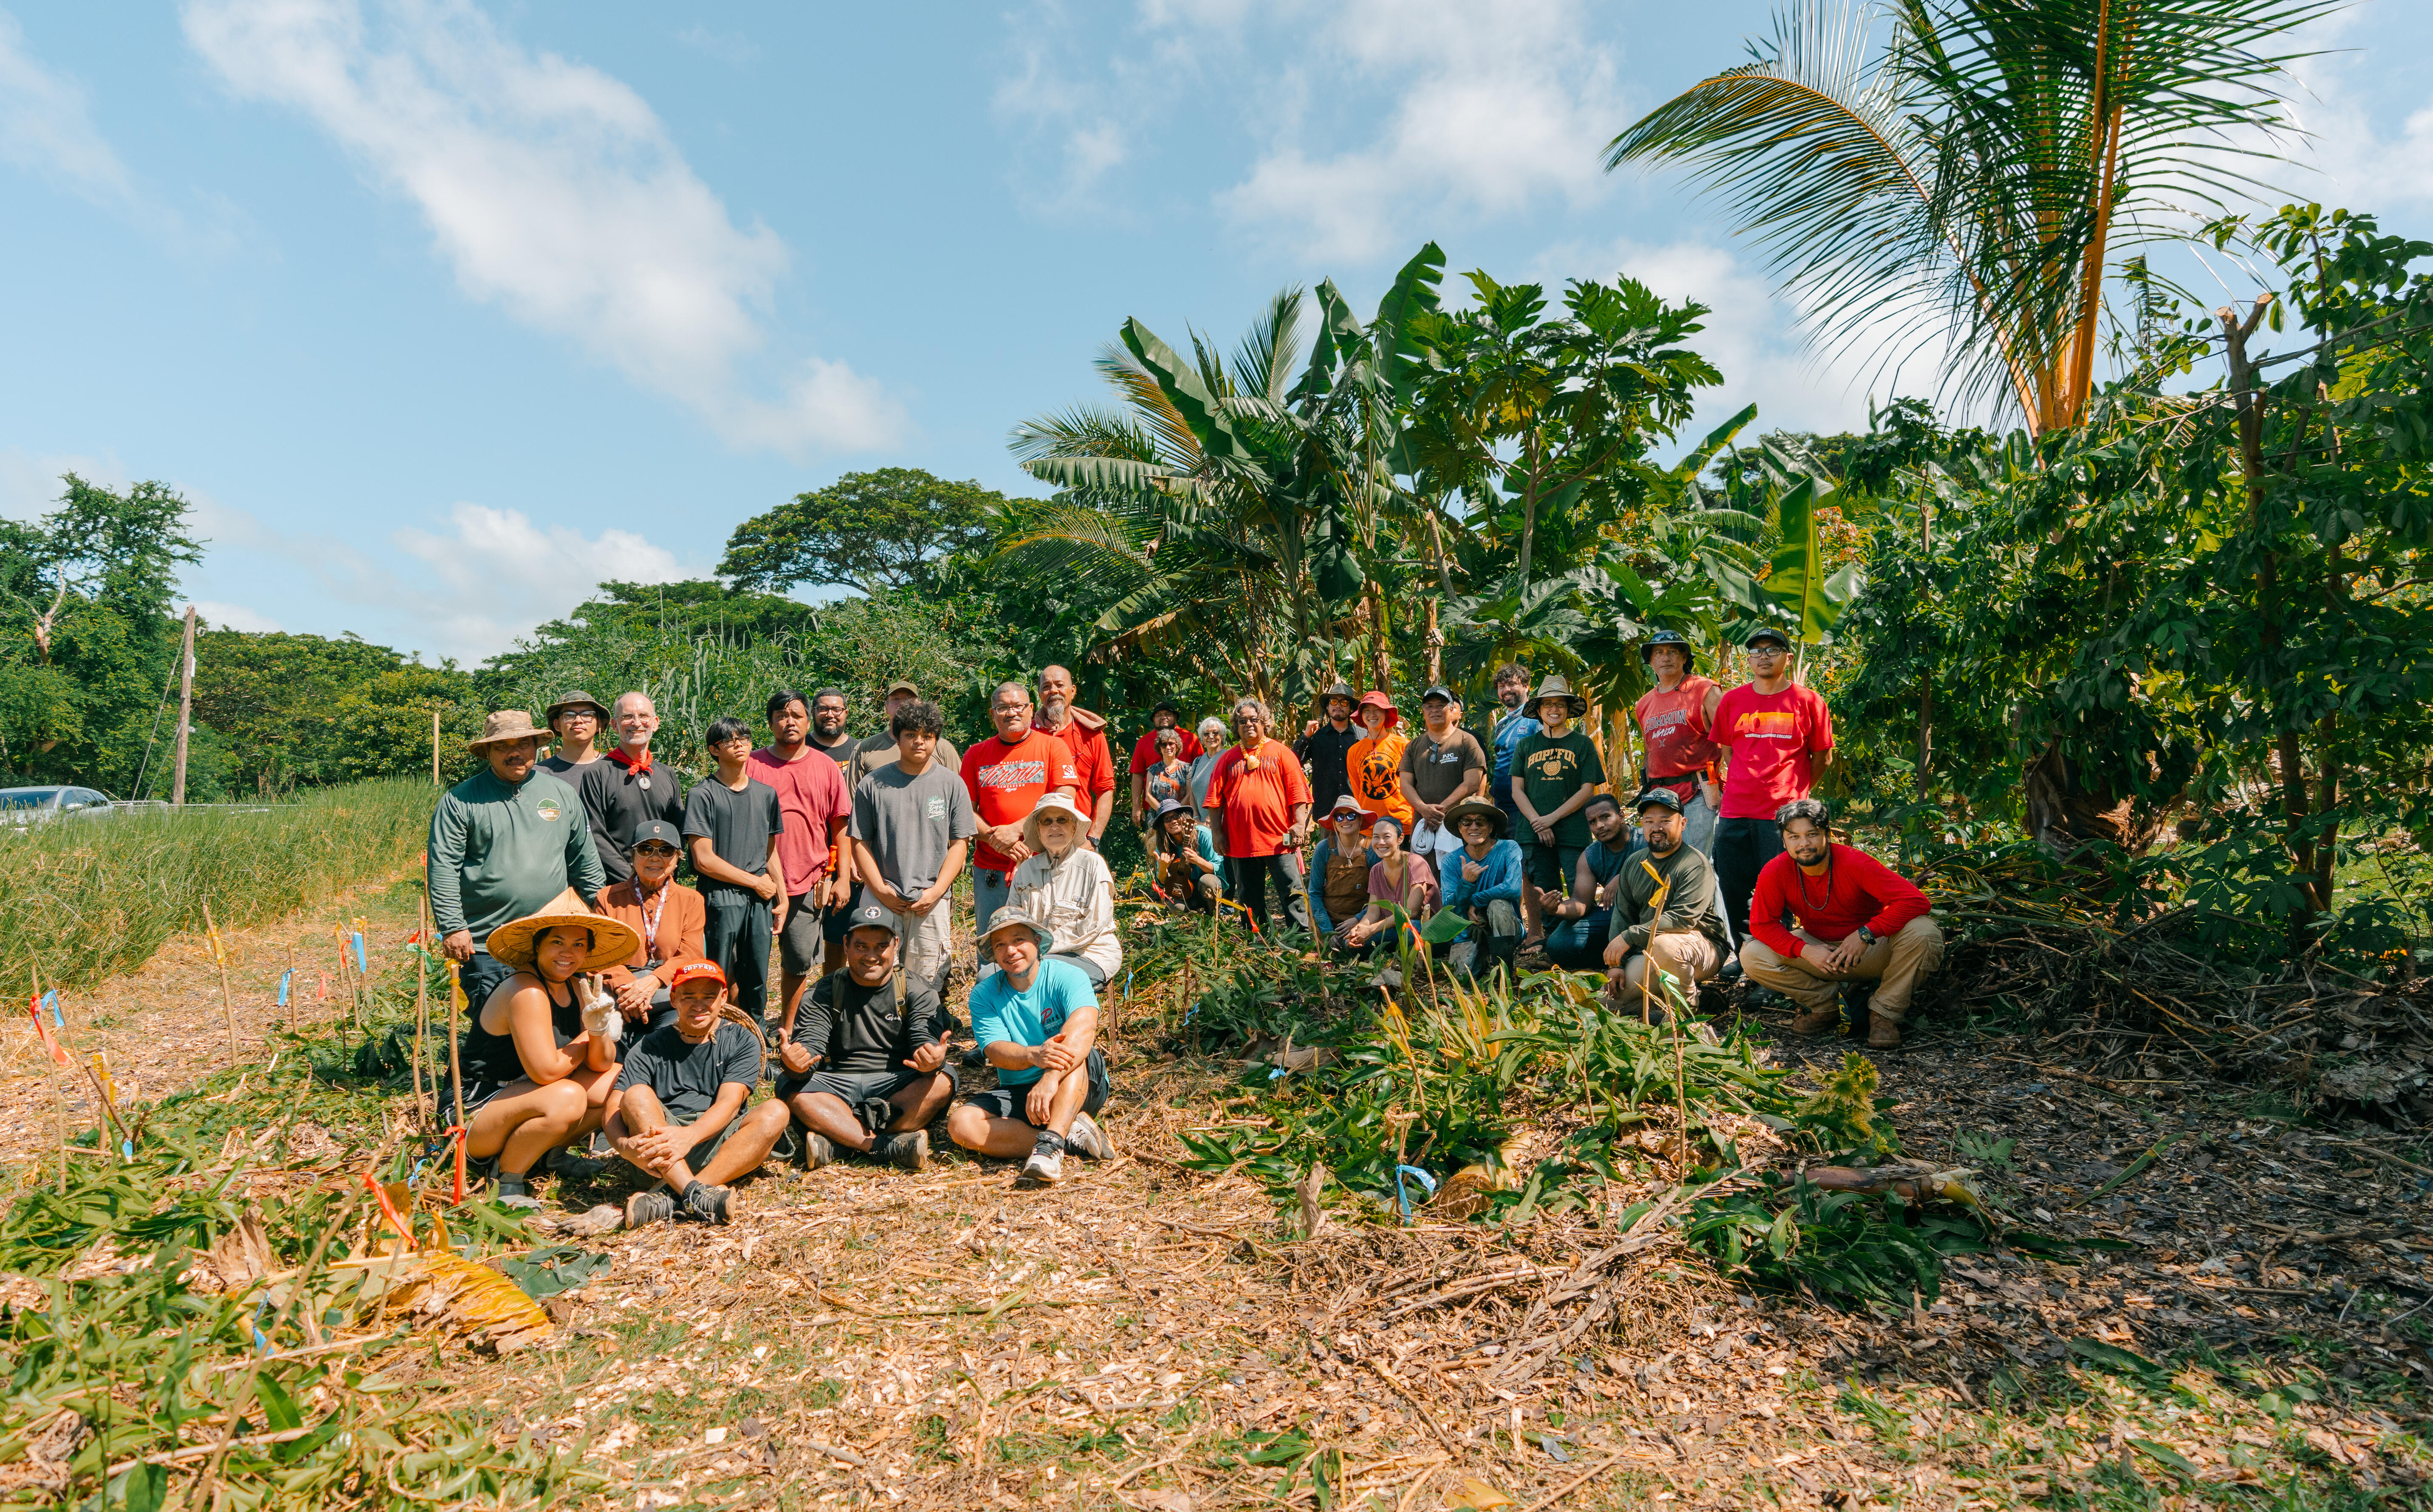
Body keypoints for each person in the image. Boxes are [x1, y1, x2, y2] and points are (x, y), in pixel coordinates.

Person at [454, 903, 637, 1207]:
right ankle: (508, 1178)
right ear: (538, 945)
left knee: (616, 1081)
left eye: (578, 945)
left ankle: (548, 1155)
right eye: (557, 942)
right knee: (568, 1096)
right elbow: (546, 1072)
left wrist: (599, 1029)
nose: (568, 953)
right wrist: (586, 1034)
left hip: (524, 1097)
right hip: (476, 1109)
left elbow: (601, 1063)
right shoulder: (527, 990)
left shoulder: (576, 988)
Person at [429, 711, 607, 1018]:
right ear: (487, 751)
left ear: (536, 746)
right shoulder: (461, 801)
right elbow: (443, 867)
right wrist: (453, 927)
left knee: (558, 1026)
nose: (515, 753)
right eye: (502, 746)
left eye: (523, 744)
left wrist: (598, 923)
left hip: (553, 940)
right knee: (495, 1030)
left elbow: (585, 863)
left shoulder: (561, 794)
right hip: (487, 943)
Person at [1741, 798, 1944, 1050]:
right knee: (1753, 954)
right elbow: (1762, 925)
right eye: (1794, 837)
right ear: (1784, 841)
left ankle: (1885, 1014)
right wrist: (1806, 950)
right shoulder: (1775, 871)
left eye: (1812, 835)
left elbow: (1916, 901)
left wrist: (1865, 934)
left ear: (1828, 834)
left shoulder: (1855, 862)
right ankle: (1829, 1007)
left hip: (1871, 950)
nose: (1804, 844)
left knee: (1924, 931)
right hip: (1821, 952)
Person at [607, 956, 789, 1226]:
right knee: (636, 1095)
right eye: (689, 996)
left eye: (709, 996)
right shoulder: (649, 1046)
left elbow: (730, 1102)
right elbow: (613, 1108)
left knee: (776, 1111)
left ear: (724, 997)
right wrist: (624, 1147)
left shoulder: (741, 1040)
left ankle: (674, 1195)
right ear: (673, 1000)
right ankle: (700, 1196)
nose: (699, 1005)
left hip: (722, 1145)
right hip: (659, 1150)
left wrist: (690, 1136)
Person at [775, 902, 956, 1171]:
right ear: (846, 945)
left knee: (943, 1081)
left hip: (897, 1086)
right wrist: (796, 1063)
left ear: (895, 945)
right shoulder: (824, 991)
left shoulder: (917, 990)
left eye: (880, 946)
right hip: (837, 1086)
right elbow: (810, 1047)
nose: (871, 956)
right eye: (861, 946)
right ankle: (884, 1146)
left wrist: (931, 1059)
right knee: (788, 1086)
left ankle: (841, 1140)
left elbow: (923, 1039)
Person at [947, 907, 1115, 1185]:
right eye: (1000, 945)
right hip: (1019, 1088)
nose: (1010, 950)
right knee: (961, 1125)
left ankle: (1049, 1147)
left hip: (1079, 1079)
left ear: (1037, 942)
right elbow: (995, 1051)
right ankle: (1069, 1139)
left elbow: (1085, 1028)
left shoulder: (1068, 976)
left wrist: (1050, 1077)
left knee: (1069, 1052)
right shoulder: (984, 994)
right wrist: (1034, 1055)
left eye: (1018, 940)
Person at [1710, 629, 1835, 950]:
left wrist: (1798, 792)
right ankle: (1746, 956)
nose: (1764, 656)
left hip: (1782, 814)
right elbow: (1727, 750)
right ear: (1749, 660)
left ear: (1788, 658)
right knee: (1735, 885)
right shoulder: (1732, 700)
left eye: (1773, 650)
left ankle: (1779, 957)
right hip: (1735, 810)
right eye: (1757, 651)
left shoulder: (1808, 701)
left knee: (1779, 889)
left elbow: (1823, 756)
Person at [848, 697, 973, 1001]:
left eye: (927, 736)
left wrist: (936, 891)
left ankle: (920, 1039)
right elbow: (859, 842)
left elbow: (959, 845)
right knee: (873, 970)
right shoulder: (873, 784)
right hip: (881, 896)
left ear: (936, 740)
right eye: (911, 735)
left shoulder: (952, 784)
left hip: (931, 899)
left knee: (926, 977)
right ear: (898, 737)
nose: (920, 742)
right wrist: (878, 888)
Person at [750, 688, 857, 1025]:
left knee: (798, 963)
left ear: (807, 721)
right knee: (750, 963)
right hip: (755, 881)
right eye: (782, 715)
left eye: (796, 715)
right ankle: (746, 1031)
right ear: (770, 723)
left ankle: (787, 1028)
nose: (789, 722)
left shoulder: (825, 767)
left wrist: (842, 878)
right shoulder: (752, 764)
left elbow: (841, 826)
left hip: (807, 881)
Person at [683, 717, 787, 1037]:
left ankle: (756, 1043)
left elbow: (770, 852)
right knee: (717, 973)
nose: (740, 743)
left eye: (744, 737)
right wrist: (755, 882)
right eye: (730, 740)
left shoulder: (766, 795)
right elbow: (703, 860)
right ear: (715, 749)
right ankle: (712, 1039)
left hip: (760, 901)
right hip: (720, 898)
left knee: (756, 976)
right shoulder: (703, 795)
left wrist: (782, 900)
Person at [961, 681, 1083, 953]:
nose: (1011, 713)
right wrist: (997, 841)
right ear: (993, 714)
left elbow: (1065, 800)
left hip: (1044, 865)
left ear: (1030, 710)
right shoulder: (976, 754)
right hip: (992, 870)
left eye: (1017, 706)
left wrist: (1017, 829)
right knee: (996, 946)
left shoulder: (1054, 748)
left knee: (1047, 945)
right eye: (1002, 708)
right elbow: (963, 810)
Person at [1600, 790, 1731, 1020]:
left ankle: (1684, 1016)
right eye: (1649, 821)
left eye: (1665, 821)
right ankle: (1681, 1002)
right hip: (1651, 949)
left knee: (1664, 947)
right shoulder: (1635, 862)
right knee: (1607, 1002)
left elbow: (1682, 920)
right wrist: (1616, 964)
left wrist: (1629, 937)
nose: (1656, 828)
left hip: (1702, 946)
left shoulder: (1694, 864)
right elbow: (1623, 914)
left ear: (1683, 824)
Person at [1511, 674, 1606, 949]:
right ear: (1539, 710)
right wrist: (1537, 823)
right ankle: (1551, 941)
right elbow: (1518, 789)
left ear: (1568, 710)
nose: (1554, 709)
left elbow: (1588, 789)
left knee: (1580, 885)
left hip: (1572, 830)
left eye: (1560, 704)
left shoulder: (1582, 744)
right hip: (1532, 830)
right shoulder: (1526, 746)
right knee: (1544, 885)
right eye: (1548, 704)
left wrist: (1551, 819)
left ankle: (1583, 940)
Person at [1205, 697, 1313, 934]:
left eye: (1254, 719)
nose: (1248, 724)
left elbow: (1298, 792)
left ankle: (1301, 937)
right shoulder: (1228, 758)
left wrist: (1299, 825)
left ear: (1263, 722)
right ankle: (1258, 938)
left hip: (1279, 838)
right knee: (1248, 895)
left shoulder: (1282, 753)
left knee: (1292, 890)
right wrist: (1217, 833)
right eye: (1242, 721)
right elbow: (1215, 801)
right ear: (1236, 726)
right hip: (1242, 840)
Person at [1006, 790, 1123, 986]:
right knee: (987, 976)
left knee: (1040, 975)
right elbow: (1012, 920)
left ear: (1074, 826)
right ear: (1038, 828)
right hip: (1034, 957)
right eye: (1046, 821)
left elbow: (1092, 925)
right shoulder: (1026, 869)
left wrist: (1038, 950)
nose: (1054, 826)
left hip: (1090, 954)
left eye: (1062, 819)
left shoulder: (1093, 864)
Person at [599, 821, 705, 1032]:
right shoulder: (607, 898)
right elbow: (601, 954)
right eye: (646, 849)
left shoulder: (691, 900)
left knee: (675, 1036)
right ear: (633, 856)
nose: (655, 858)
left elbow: (691, 954)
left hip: (670, 993)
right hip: (621, 997)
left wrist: (653, 982)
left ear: (677, 860)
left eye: (665, 851)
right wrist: (629, 991)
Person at [578, 691, 685, 890]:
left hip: (662, 886)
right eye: (628, 717)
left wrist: (662, 876)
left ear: (655, 723)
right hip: (616, 889)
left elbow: (677, 833)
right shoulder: (597, 773)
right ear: (615, 725)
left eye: (644, 716)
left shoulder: (668, 774)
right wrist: (634, 880)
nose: (637, 723)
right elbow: (595, 835)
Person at [1633, 629, 1723, 855]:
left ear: (1685, 658)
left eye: (1673, 651)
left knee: (1700, 862)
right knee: (1664, 860)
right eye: (1659, 653)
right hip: (1659, 795)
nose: (1666, 657)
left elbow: (1730, 741)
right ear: (1651, 661)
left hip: (1699, 790)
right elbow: (1650, 749)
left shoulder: (1705, 690)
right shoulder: (1644, 704)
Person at [1541, 794, 1636, 971]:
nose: (1599, 825)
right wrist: (1557, 909)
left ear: (1622, 816)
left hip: (1650, 912)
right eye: (1592, 822)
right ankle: (1609, 963)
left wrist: (1624, 877)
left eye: (1605, 817)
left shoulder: (1645, 839)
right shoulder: (1590, 855)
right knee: (1558, 944)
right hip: (1614, 914)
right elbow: (1581, 904)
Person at [1400, 685, 1489, 872]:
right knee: (1423, 873)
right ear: (1423, 712)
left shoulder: (1467, 741)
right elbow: (1406, 785)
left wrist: (1443, 809)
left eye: (1441, 705)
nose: (1435, 710)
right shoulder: (1414, 746)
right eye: (1429, 706)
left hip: (1460, 822)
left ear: (1451, 709)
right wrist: (1424, 809)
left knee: (1458, 873)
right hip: (1423, 821)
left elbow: (1473, 782)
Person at [1438, 796, 1521, 978]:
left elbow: (1514, 888)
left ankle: (1505, 976)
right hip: (1468, 931)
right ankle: (1482, 958)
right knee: (1463, 978)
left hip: (1506, 927)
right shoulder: (1451, 861)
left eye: (1481, 821)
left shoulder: (1509, 848)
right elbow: (1450, 908)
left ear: (1491, 827)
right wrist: (1466, 884)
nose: (1473, 827)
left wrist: (1477, 900)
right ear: (1460, 828)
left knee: (1499, 904)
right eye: (1467, 822)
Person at [1336, 811, 1439, 960]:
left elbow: (1411, 912)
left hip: (1421, 928)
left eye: (1387, 837)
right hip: (1391, 929)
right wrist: (1362, 928)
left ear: (1400, 839)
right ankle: (1391, 956)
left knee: (1408, 934)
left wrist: (1371, 930)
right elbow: (1373, 912)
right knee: (1349, 943)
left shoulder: (1416, 864)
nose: (1381, 842)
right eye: (1376, 837)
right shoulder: (1376, 870)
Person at [1036, 665, 1117, 848]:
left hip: (1079, 841)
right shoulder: (1029, 736)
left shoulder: (1092, 736)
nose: (1053, 691)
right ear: (1040, 694)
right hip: (1034, 843)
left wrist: (1093, 838)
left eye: (1060, 685)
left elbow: (1105, 789)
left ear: (1073, 692)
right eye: (1046, 687)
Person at [848, 680, 961, 790]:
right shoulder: (865, 749)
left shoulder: (943, 748)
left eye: (909, 699)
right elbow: (852, 800)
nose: (902, 704)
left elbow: (959, 793)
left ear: (920, 705)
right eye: (896, 699)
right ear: (886, 707)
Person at [1307, 796, 1377, 949]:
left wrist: (1359, 919)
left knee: (1354, 946)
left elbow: (1380, 894)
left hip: (1363, 919)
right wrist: (1328, 931)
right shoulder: (1324, 849)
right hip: (1328, 920)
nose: (1345, 821)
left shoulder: (1372, 849)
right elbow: (1314, 893)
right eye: (1339, 817)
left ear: (1360, 820)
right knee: (1336, 949)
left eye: (1351, 816)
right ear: (1334, 823)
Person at [1344, 691, 1414, 833]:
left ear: (1387, 714)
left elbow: (1414, 785)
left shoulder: (1403, 745)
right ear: (1362, 716)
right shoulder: (1354, 751)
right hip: (1370, 827)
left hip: (1403, 824)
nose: (1372, 715)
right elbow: (1358, 790)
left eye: (1378, 710)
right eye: (1367, 711)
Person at [1129, 700, 1205, 828]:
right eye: (1159, 715)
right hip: (1154, 809)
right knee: (1156, 845)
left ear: (1175, 718)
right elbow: (1137, 775)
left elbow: (1201, 773)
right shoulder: (1143, 742)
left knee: (1187, 844)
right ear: (1153, 720)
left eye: (1168, 714)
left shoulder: (1191, 739)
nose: (1163, 717)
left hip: (1186, 808)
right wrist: (1136, 807)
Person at [1296, 681, 1362, 823]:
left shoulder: (1362, 737)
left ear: (1351, 709)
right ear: (1328, 707)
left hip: (1356, 810)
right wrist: (1306, 737)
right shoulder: (1316, 737)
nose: (1338, 705)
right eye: (1334, 701)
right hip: (1326, 812)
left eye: (1344, 703)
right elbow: (1294, 762)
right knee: (1328, 846)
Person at [1485, 663, 1539, 835]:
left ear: (1526, 686)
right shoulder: (1502, 723)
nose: (1507, 690)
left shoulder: (1536, 718)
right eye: (1502, 687)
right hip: (1501, 807)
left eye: (1513, 685)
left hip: (1525, 809)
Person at [1148, 797, 1223, 912]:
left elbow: (1219, 869)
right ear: (1163, 825)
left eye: (1176, 816)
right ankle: (1190, 923)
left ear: (1184, 817)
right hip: (1184, 892)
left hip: (1205, 889)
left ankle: (1214, 918)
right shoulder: (1163, 844)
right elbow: (1162, 883)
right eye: (1167, 819)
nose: (1173, 821)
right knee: (1175, 909)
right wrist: (1163, 868)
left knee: (1209, 881)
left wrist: (1198, 860)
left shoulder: (1203, 834)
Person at [539, 691, 609, 776]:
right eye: (569, 715)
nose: (578, 720)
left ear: (599, 724)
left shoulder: (614, 770)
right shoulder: (539, 773)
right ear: (557, 725)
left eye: (587, 715)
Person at [1141, 728, 1195, 815]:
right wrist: (1164, 813)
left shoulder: (1187, 769)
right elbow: (1148, 796)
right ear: (1160, 748)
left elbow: (1189, 795)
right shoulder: (1153, 770)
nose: (1168, 747)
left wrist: (1175, 813)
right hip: (1158, 817)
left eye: (1171, 744)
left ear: (1177, 746)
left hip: (1181, 816)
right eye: (1164, 745)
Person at [1186, 716, 1230, 810]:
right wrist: (1196, 817)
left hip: (1220, 820)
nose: (1211, 736)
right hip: (1199, 822)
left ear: (1222, 735)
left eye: (1215, 733)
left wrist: (1212, 818)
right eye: (1207, 734)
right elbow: (1192, 793)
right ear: (1202, 738)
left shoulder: (1228, 758)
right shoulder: (1198, 762)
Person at [807, 687, 856, 765]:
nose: (830, 715)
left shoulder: (859, 750)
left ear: (846, 713)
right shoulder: (799, 748)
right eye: (823, 709)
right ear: (813, 712)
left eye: (837, 710)